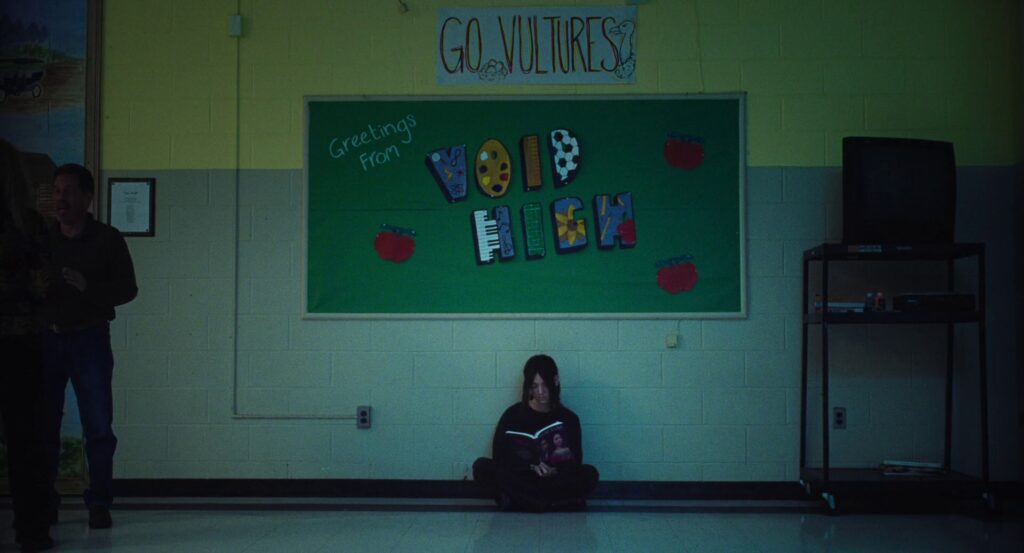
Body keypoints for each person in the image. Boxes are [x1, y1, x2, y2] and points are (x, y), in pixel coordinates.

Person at [40, 163, 137, 530]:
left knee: (98, 425)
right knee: (45, 425)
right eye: (57, 190)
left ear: (87, 197)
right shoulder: (44, 240)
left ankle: (99, 503)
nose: (60, 198)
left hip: (90, 339)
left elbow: (129, 289)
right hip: (48, 339)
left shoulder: (107, 239)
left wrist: (88, 287)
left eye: (67, 190)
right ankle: (45, 502)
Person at [0, 139, 55, 551]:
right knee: (27, 446)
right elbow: (43, 288)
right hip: (24, 346)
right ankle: (32, 532)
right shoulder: (31, 226)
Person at [473, 354, 599, 512]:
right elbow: (498, 458)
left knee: (590, 474)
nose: (540, 392)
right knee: (481, 467)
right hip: (523, 479)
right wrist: (529, 467)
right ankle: (553, 503)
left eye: (545, 385)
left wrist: (554, 470)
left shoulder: (569, 418)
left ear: (556, 381)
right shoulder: (512, 415)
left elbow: (576, 461)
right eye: (534, 386)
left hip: (553, 481)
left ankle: (521, 502)